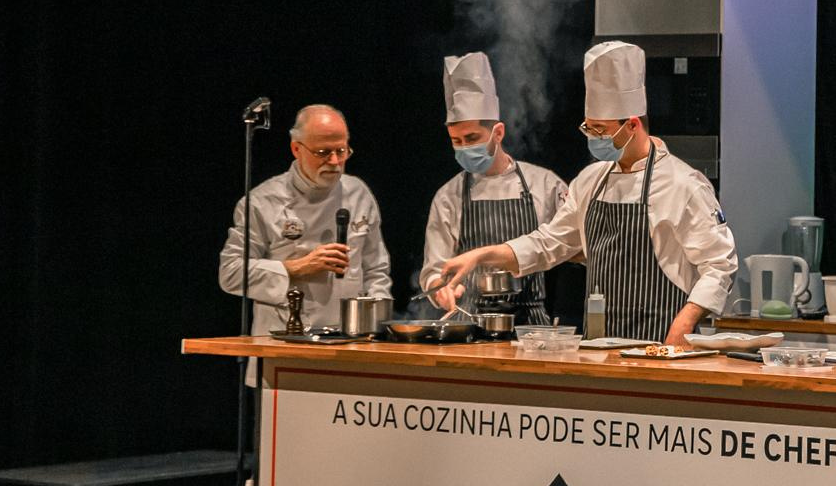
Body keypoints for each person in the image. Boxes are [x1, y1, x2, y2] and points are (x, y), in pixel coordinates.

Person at [430, 42, 737, 347]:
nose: (593, 138)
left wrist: (685, 322)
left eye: (600, 130)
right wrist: (480, 255)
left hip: (662, 344)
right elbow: (549, 243)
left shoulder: (684, 185)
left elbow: (720, 265)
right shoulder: (591, 180)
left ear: (631, 125)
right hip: (600, 345)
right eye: (588, 128)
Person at [218, 103, 391, 334]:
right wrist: (297, 267)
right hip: (282, 339)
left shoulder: (358, 193)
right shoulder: (262, 201)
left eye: (341, 151)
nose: (334, 161)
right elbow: (231, 272)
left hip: (349, 340)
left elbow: (376, 270)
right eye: (322, 153)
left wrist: (377, 328)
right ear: (296, 149)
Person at [422, 52, 569, 323]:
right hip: (468, 323)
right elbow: (434, 270)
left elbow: (570, 244)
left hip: (530, 327)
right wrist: (440, 290)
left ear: (498, 133)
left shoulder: (544, 184)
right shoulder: (449, 196)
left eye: (472, 138)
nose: (465, 147)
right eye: (456, 141)